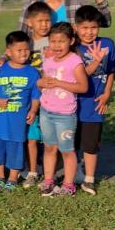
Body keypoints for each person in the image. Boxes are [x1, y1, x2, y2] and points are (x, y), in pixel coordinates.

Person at [37, 22, 88, 197]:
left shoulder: (75, 61)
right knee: (49, 148)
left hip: (65, 115)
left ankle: (68, 185)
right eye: (53, 41)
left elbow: (83, 87)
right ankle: (49, 181)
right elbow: (42, 82)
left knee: (67, 150)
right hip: (46, 112)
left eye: (61, 41)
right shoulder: (48, 61)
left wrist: (59, 83)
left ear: (71, 41)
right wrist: (40, 83)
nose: (57, 45)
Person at [0, 31, 41, 191]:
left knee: (15, 148)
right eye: (19, 50)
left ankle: (12, 178)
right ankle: (0, 177)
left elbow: (36, 95)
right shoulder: (0, 69)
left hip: (18, 121)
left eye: (26, 49)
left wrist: (33, 110)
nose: (24, 53)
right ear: (8, 52)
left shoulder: (32, 72)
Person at [74, 5, 115, 196]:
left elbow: (111, 71)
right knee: (71, 143)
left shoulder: (107, 44)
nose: (89, 32)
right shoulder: (72, 47)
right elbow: (78, 75)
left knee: (91, 144)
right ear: (76, 27)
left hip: (95, 103)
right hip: (72, 104)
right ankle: (72, 175)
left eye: (93, 27)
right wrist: (96, 61)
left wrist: (107, 92)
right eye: (84, 27)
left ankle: (89, 179)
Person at [21, 1, 52, 188]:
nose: (44, 25)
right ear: (29, 22)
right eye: (39, 21)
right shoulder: (25, 43)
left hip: (51, 98)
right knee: (31, 137)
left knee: (50, 138)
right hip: (30, 98)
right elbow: (10, 56)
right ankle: (32, 171)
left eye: (47, 20)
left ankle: (50, 172)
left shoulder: (55, 42)